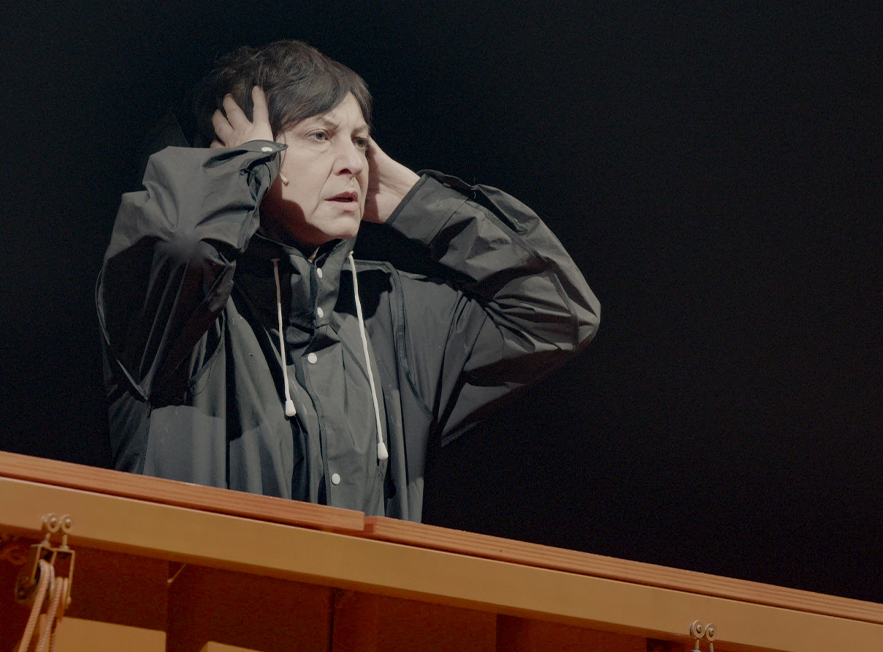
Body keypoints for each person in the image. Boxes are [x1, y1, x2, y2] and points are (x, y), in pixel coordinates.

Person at [97, 40, 599, 521]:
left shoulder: (388, 311)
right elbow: (183, 244)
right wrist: (240, 169)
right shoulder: (182, 310)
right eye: (320, 135)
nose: (355, 163)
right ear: (247, 150)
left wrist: (413, 198)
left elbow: (556, 315)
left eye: (360, 141)